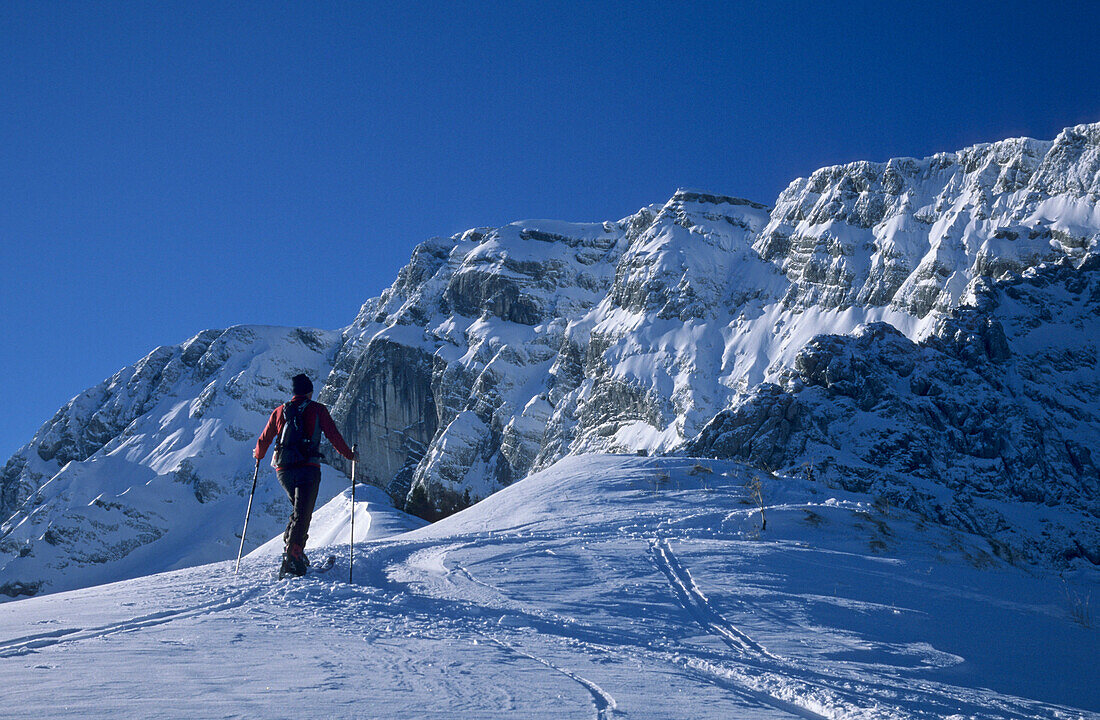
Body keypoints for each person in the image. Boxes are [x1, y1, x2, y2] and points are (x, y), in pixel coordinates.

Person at [254, 373, 357, 577]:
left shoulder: (280, 411)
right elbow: (333, 435)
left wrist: (258, 456)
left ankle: (293, 548)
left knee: (298, 509)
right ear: (309, 392)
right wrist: (350, 455)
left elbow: (264, 438)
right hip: (308, 467)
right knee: (303, 511)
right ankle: (293, 554)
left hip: (283, 470)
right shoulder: (317, 409)